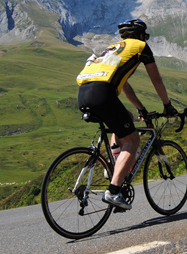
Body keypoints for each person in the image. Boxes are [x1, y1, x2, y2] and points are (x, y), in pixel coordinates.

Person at [76, 18, 178, 210]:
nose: (145, 39)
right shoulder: (141, 47)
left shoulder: (113, 48)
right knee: (132, 141)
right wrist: (167, 106)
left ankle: (115, 168)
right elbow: (156, 80)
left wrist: (139, 107)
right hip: (102, 93)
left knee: (126, 119)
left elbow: (125, 85)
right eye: (145, 36)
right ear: (141, 35)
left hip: (83, 93)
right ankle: (114, 191)